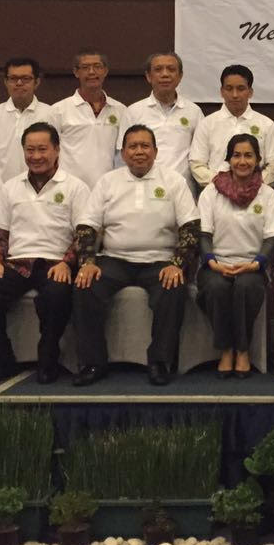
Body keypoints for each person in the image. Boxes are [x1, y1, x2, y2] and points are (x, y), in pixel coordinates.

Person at [72, 124, 200, 386]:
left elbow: (191, 227)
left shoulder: (174, 181)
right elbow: (86, 226)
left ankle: (160, 362)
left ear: (155, 151)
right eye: (133, 146)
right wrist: (87, 263)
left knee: (174, 287)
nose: (139, 151)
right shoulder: (108, 182)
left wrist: (177, 264)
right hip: (114, 259)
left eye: (145, 146)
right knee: (85, 285)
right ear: (123, 153)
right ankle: (93, 363)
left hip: (160, 260)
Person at [0, 122, 90, 385]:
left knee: (57, 294)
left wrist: (67, 263)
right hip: (16, 263)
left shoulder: (75, 187)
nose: (36, 156)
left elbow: (83, 234)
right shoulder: (9, 188)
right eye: (30, 150)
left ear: (57, 150)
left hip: (55, 263)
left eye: (42, 149)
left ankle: (48, 361)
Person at [197, 133, 274, 378]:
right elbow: (203, 234)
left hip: (253, 265)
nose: (242, 161)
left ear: (258, 160)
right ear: (228, 160)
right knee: (217, 288)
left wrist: (255, 264)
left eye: (248, 156)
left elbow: (272, 238)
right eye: (236, 155)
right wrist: (213, 263)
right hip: (215, 264)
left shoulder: (268, 195)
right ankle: (226, 349)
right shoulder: (211, 192)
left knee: (245, 287)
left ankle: (242, 350)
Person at [121, 51, 203, 192]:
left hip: (182, 190)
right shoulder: (133, 111)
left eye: (171, 69)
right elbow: (122, 158)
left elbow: (200, 157)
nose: (165, 74)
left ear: (180, 76)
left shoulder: (194, 112)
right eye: (158, 69)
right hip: (142, 190)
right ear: (148, 76)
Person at [189, 64, 274, 188]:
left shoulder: (266, 124)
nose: (235, 94)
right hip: (215, 192)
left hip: (257, 193)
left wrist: (252, 186)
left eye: (241, 88)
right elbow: (197, 164)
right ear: (222, 91)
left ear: (250, 92)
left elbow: (273, 164)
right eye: (229, 88)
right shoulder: (207, 124)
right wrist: (222, 185)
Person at [48, 49, 126, 187]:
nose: (91, 72)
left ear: (105, 71)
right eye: (85, 67)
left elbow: (122, 155)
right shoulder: (58, 110)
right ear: (76, 72)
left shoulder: (121, 110)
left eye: (97, 66)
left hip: (108, 188)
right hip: (68, 189)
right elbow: (50, 152)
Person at [0, 56, 49, 179]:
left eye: (25, 78)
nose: (19, 83)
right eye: (13, 78)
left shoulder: (51, 113)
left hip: (41, 186)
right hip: (2, 187)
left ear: (37, 82)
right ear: (6, 82)